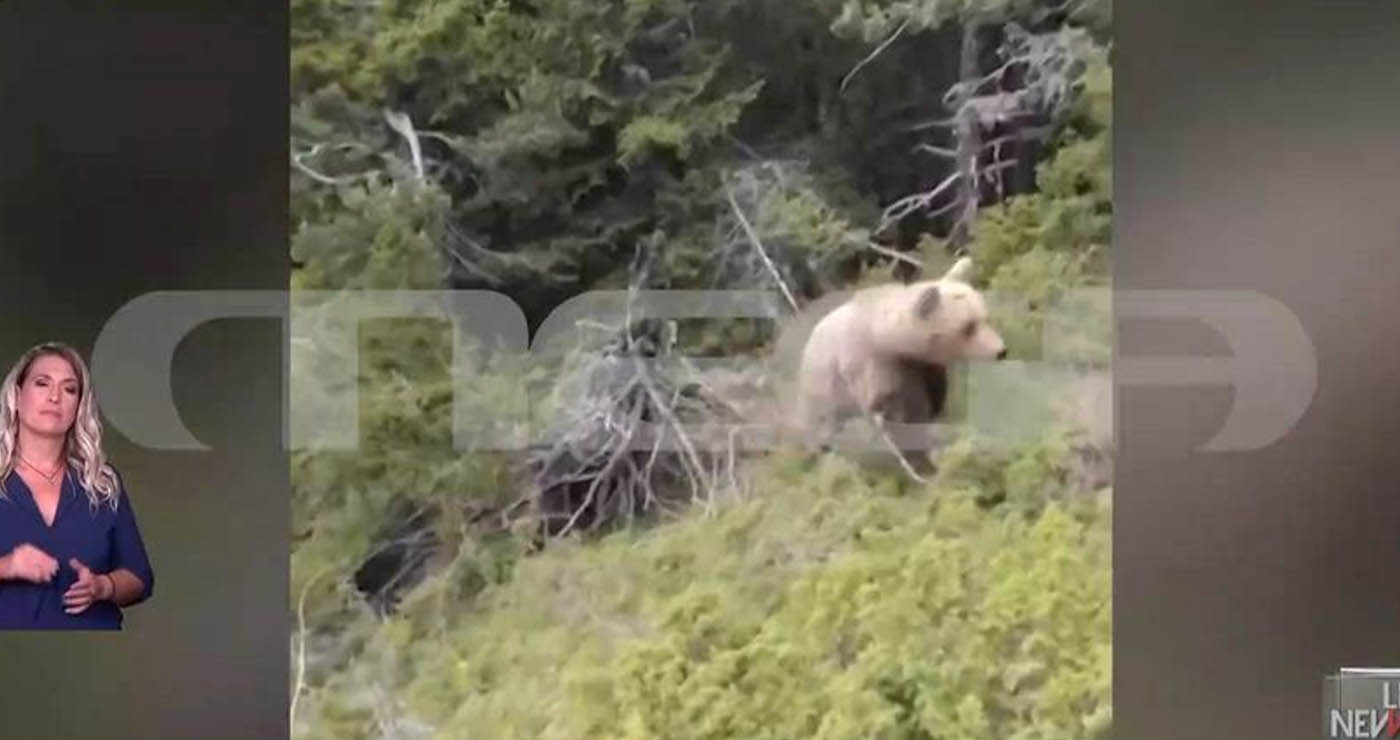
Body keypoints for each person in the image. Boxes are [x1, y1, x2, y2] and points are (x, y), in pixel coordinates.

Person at [0, 341, 154, 629]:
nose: (55, 396)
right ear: (18, 396)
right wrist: (6, 567)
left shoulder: (101, 483)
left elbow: (139, 577)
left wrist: (104, 586)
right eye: (42, 383)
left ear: (78, 407)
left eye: (69, 389)